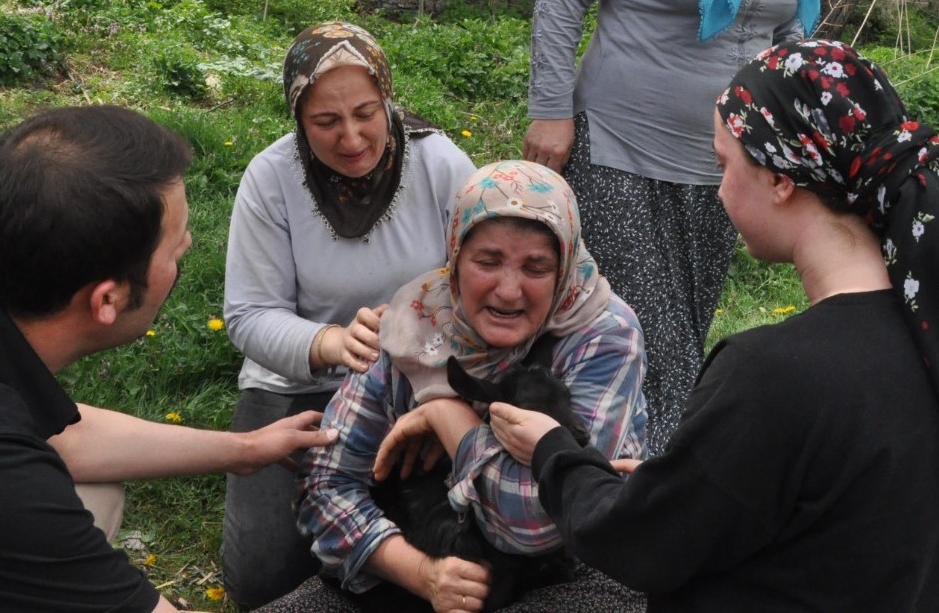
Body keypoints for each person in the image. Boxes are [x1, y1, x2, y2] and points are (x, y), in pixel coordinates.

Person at [491, 41, 939, 609]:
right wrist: (686, 481)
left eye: (724, 165)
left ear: (781, 179)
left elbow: (637, 545)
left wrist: (555, 451)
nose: (720, 188)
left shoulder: (775, 374)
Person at [0, 105, 338, 612]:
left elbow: (64, 434)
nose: (188, 249)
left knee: (96, 493)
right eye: (174, 252)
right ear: (107, 300)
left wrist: (245, 449)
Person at [259, 160, 648, 612]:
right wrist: (420, 573)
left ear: (564, 266)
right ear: (456, 256)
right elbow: (324, 485)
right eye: (488, 261)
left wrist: (448, 417)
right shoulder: (416, 324)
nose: (508, 290)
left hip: (558, 578)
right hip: (415, 565)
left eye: (536, 268)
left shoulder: (603, 336)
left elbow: (546, 521)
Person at [522, 0, 820, 455]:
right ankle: (647, 485)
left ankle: (604, 473)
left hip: (725, 172)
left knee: (683, 330)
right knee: (651, 342)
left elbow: (787, 33)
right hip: (618, 152)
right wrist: (551, 106)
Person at [221, 20, 476, 607]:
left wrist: (433, 373)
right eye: (326, 122)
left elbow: (481, 283)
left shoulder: (441, 164)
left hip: (422, 385)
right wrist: (330, 343)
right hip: (295, 390)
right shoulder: (271, 178)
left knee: (450, 543)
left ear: (388, 97)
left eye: (366, 112)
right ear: (297, 116)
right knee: (264, 583)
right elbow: (249, 313)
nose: (352, 137)